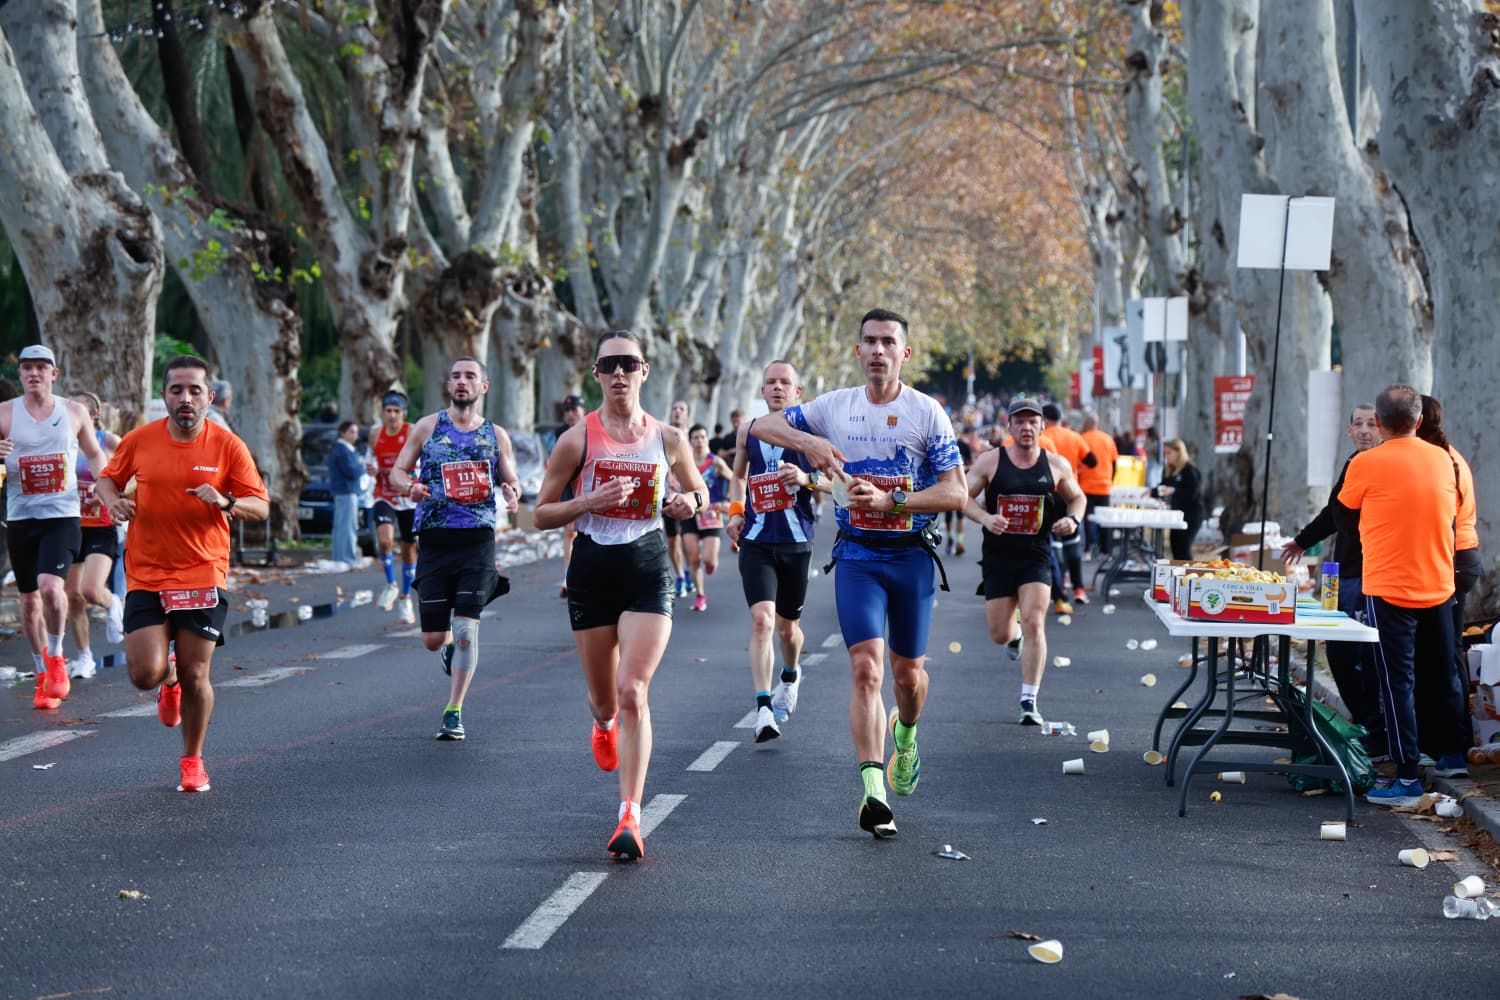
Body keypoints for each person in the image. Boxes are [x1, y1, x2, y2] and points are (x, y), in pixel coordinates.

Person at [751, 308, 966, 839]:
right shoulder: (834, 407)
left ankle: (906, 735)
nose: (878, 350)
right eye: (869, 341)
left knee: (907, 677)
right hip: (857, 558)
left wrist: (894, 501)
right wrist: (809, 442)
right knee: (866, 669)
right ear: (857, 351)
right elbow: (761, 426)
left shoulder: (926, 413)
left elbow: (956, 492)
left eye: (888, 342)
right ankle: (874, 792)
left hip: (910, 557)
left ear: (904, 353)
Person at [534, 331, 709, 860]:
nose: (618, 373)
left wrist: (689, 503)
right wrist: (588, 500)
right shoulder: (577, 440)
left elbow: (699, 491)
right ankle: (602, 723)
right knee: (606, 699)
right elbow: (540, 514)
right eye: (608, 365)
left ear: (643, 371)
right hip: (592, 568)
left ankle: (629, 815)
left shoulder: (669, 438)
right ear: (596, 374)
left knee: (633, 689)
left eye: (628, 364)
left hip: (647, 565)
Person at [94, 355, 270, 792]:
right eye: (177, 390)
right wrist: (113, 502)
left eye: (195, 390)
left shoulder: (228, 446)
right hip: (147, 572)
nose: (186, 398)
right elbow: (107, 479)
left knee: (197, 673)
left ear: (209, 396)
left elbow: (261, 506)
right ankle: (166, 679)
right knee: (144, 674)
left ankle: (192, 760)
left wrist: (225, 501)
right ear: (165, 396)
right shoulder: (140, 440)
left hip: (202, 572)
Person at [1338, 384, 1471, 806]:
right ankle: (1453, 753)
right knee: (1444, 672)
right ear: (1419, 420)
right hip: (1439, 581)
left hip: (1387, 586)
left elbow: (1345, 512)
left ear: (1378, 423)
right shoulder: (1443, 459)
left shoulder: (1365, 462)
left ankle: (1408, 775)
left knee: (1397, 684)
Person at [388, 358, 520, 742]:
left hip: (477, 540)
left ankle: (453, 709)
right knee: (433, 638)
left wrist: (512, 492)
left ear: (484, 386)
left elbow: (511, 479)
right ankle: (446, 647)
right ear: (448, 385)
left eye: (470, 376)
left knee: (465, 627)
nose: (462, 382)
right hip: (434, 539)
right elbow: (397, 472)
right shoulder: (427, 427)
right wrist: (410, 487)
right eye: (456, 376)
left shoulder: (496, 435)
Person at [964, 398, 1087, 726]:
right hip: (999, 557)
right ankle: (1013, 635)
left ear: (1042, 426)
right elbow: (962, 497)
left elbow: (1078, 497)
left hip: (1036, 554)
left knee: (1035, 620)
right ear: (1010, 427)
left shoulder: (1056, 464)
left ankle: (1029, 701)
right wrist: (985, 518)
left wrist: (1073, 520)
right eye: (1019, 422)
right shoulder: (991, 461)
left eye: (1033, 421)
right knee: (999, 633)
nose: (1026, 427)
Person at [0, 345, 109, 710]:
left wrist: (106, 489)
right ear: (20, 374)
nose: (34, 373)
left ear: (54, 374)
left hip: (62, 516)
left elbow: (94, 453)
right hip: (21, 518)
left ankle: (58, 655)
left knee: (51, 587)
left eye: (41, 367)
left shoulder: (74, 411)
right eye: (27, 367)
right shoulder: (4, 413)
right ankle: (40, 672)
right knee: (29, 601)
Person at [726, 361, 820, 743]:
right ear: (762, 391)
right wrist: (735, 513)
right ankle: (763, 708)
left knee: (787, 629)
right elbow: (737, 476)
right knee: (763, 621)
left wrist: (805, 479)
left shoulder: (811, 431)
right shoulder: (748, 430)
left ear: (798, 392)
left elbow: (834, 477)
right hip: (756, 540)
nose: (777, 388)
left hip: (796, 541)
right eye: (770, 382)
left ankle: (790, 675)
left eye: (785, 382)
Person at [1281, 404, 1384, 748]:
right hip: (1342, 570)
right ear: (1349, 430)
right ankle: (1366, 721)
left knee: (1363, 654)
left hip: (1371, 573)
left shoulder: (1382, 464)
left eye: (1372, 424)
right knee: (1339, 651)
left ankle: (1376, 728)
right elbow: (1333, 511)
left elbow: (1349, 515)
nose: (1365, 430)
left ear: (1383, 428)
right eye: (1359, 424)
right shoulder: (1354, 462)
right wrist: (1301, 541)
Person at [1417, 393, 1482, 776]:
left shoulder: (1436, 461)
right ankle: (1452, 742)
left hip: (1449, 559)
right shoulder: (1448, 455)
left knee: (1440, 656)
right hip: (1461, 557)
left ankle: (1451, 746)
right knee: (1445, 652)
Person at [64, 391, 125, 679]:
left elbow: (135, 473)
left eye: (77, 410)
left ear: (93, 415)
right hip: (69, 526)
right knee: (73, 597)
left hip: (101, 525)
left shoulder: (107, 441)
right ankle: (85, 657)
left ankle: (112, 602)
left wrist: (109, 489)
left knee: (90, 590)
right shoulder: (59, 442)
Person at [1038, 403, 1094, 610]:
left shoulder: (1041, 437)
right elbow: (1093, 461)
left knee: (1054, 544)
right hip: (1070, 494)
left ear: (1043, 420)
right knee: (1072, 539)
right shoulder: (1074, 436)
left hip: (1048, 494)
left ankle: (1059, 588)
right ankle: (1078, 588)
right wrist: (1076, 467)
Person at [370, 392, 418, 624]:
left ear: (403, 414)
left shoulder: (411, 431)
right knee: (385, 541)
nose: (392, 415)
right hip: (384, 495)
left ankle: (405, 598)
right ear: (382, 413)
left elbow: (422, 457)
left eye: (396, 411)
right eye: (388, 411)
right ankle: (391, 584)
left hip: (408, 496)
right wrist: (371, 467)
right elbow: (370, 459)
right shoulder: (375, 433)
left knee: (409, 549)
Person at [682, 424, 734, 612]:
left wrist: (728, 500)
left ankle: (711, 563)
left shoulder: (716, 462)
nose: (699, 441)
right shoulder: (685, 462)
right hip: (690, 512)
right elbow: (674, 481)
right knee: (693, 557)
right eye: (695, 437)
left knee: (709, 560)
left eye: (703, 437)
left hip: (712, 513)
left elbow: (734, 479)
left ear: (707, 439)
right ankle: (700, 595)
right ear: (690, 441)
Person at [556, 394, 587, 598]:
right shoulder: (560, 433)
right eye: (566, 411)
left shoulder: (592, 429)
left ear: (583, 411)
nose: (570, 414)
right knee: (569, 531)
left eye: (574, 410)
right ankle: (568, 577)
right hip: (568, 485)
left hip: (589, 484)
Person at [1153, 438, 1202, 560]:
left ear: (1179, 452)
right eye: (1165, 453)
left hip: (1191, 515)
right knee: (1175, 548)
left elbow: (1193, 492)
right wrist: (1151, 491)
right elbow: (1163, 486)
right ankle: (1178, 571)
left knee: (1184, 548)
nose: (1167, 456)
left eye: (1169, 453)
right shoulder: (1170, 470)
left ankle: (1188, 571)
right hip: (1177, 515)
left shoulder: (1190, 470)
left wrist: (1174, 491)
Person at [1078, 413, 1119, 558]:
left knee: (1088, 519)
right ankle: (1105, 551)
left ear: (1086, 424)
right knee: (1105, 520)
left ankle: (1088, 549)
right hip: (1104, 485)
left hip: (1086, 485)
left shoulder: (1082, 439)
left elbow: (1078, 463)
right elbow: (1115, 463)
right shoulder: (1108, 439)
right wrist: (1110, 480)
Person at [664, 398, 693, 597]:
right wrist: (670, 477)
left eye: (681, 409)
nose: (677, 412)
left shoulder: (694, 437)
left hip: (690, 495)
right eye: (674, 408)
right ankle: (680, 575)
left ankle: (691, 571)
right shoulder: (664, 436)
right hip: (670, 495)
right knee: (673, 540)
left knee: (689, 540)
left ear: (687, 414)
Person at [329, 420, 363, 566]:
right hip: (347, 491)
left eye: (356, 432)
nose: (355, 435)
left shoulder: (340, 449)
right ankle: (348, 559)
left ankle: (339, 557)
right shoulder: (343, 451)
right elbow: (352, 472)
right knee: (348, 527)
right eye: (351, 432)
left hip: (342, 492)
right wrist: (362, 466)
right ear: (343, 433)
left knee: (341, 526)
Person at [942, 420, 973, 558]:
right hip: (947, 485)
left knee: (961, 514)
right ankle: (950, 539)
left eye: (956, 431)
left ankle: (960, 542)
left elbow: (972, 464)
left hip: (961, 485)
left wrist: (964, 468)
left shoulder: (964, 446)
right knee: (949, 516)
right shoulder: (944, 446)